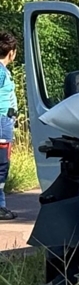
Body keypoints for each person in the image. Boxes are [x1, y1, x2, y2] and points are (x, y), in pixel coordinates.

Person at [0, 32, 19, 221]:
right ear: (11, 52)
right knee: (1, 164)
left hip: (5, 120)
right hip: (1, 121)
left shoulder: (4, 71)